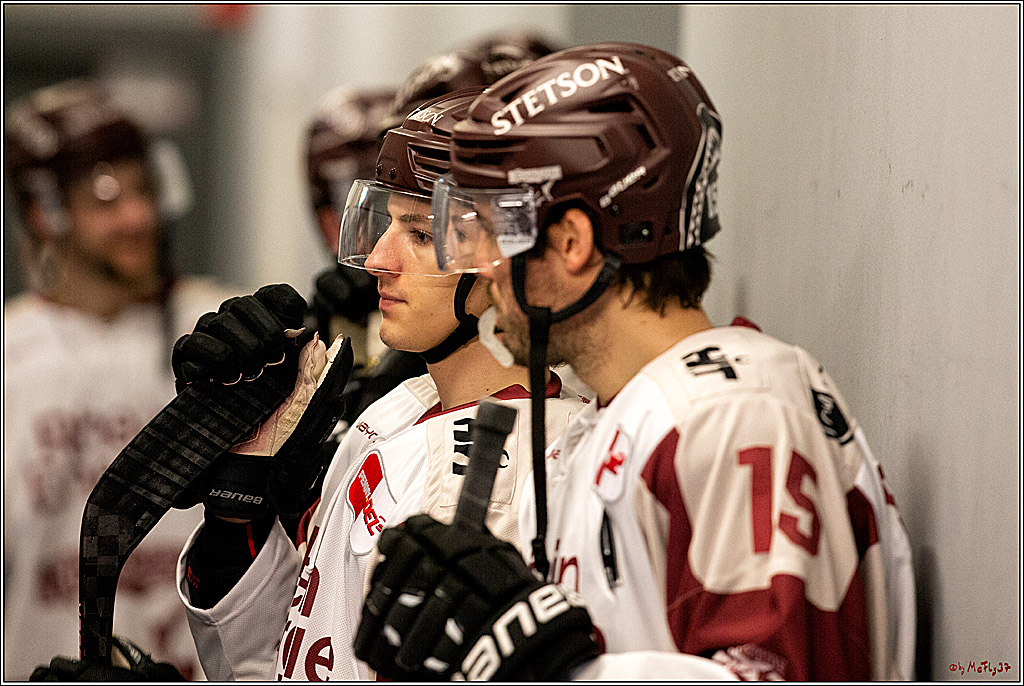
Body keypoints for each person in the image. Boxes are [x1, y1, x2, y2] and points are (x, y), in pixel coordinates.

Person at [354, 42, 917, 681]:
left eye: (493, 231)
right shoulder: (612, 420)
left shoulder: (734, 415)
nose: (478, 267)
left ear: (571, 243)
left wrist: (550, 667)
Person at [171, 89, 589, 680]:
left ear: (507, 259)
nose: (376, 260)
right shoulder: (402, 407)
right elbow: (306, 650)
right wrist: (239, 510)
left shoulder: (498, 476)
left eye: (420, 234)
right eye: (385, 223)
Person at [3, 80, 240, 679]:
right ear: (44, 213)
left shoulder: (222, 332)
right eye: (106, 199)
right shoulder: (11, 356)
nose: (138, 216)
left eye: (144, 191)